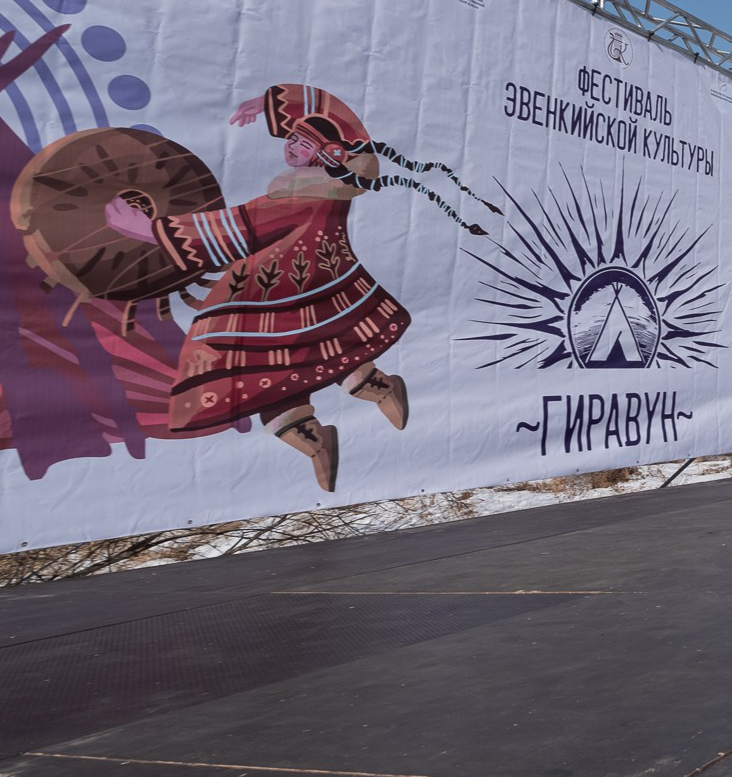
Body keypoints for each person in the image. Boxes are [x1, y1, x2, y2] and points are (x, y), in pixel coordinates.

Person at [103, 84, 491, 492]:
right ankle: (343, 419)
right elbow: (344, 124)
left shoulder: (303, 194)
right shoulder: (319, 187)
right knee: (305, 358)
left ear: (327, 155)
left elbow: (240, 226)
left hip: (278, 293)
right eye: (290, 138)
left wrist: (150, 230)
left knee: (266, 366)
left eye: (303, 143)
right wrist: (277, 104)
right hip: (307, 287)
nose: (291, 146)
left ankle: (355, 409)